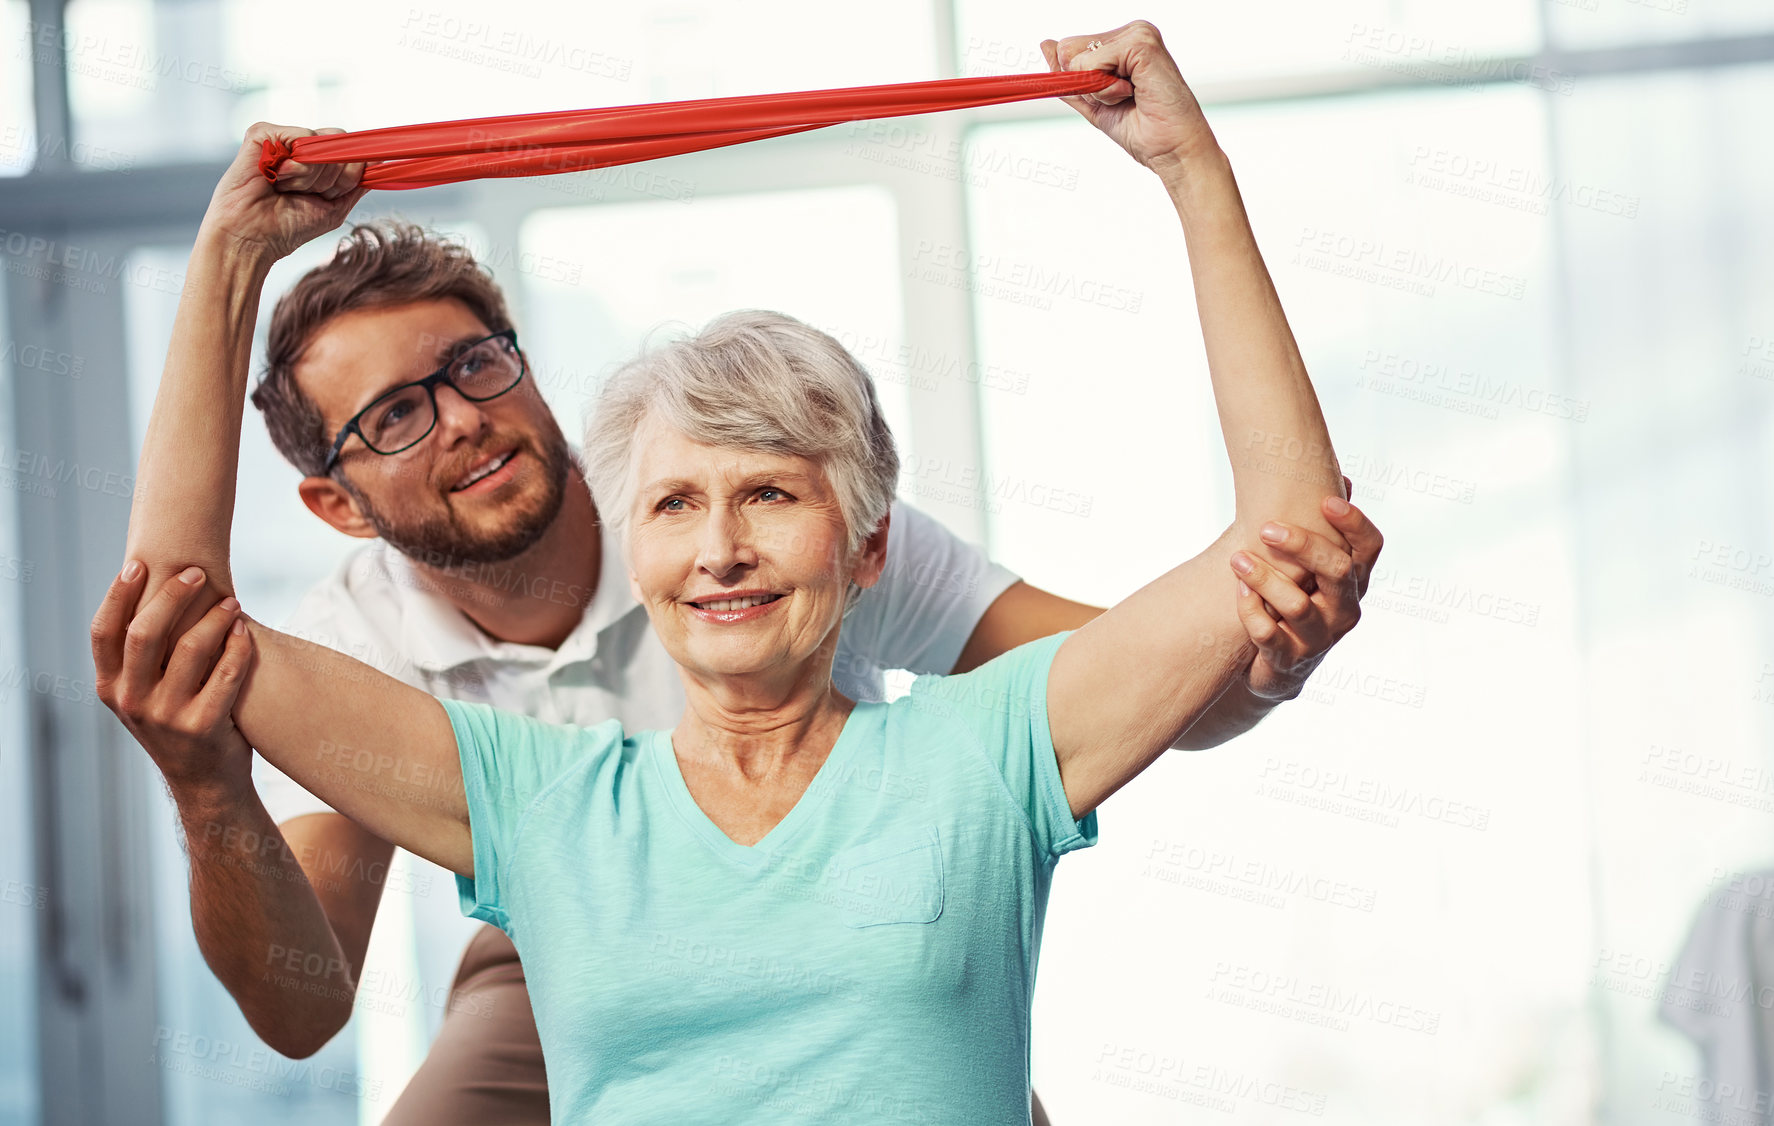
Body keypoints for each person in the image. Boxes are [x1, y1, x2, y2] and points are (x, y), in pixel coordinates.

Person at [92, 19, 1380, 1123]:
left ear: (863, 544)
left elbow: (1260, 570)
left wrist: (1191, 173)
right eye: (676, 506)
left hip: (886, 917)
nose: (719, 548)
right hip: (563, 951)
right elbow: (184, 632)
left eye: (767, 496)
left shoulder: (972, 747)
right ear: (337, 502)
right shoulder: (529, 794)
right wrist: (226, 262)